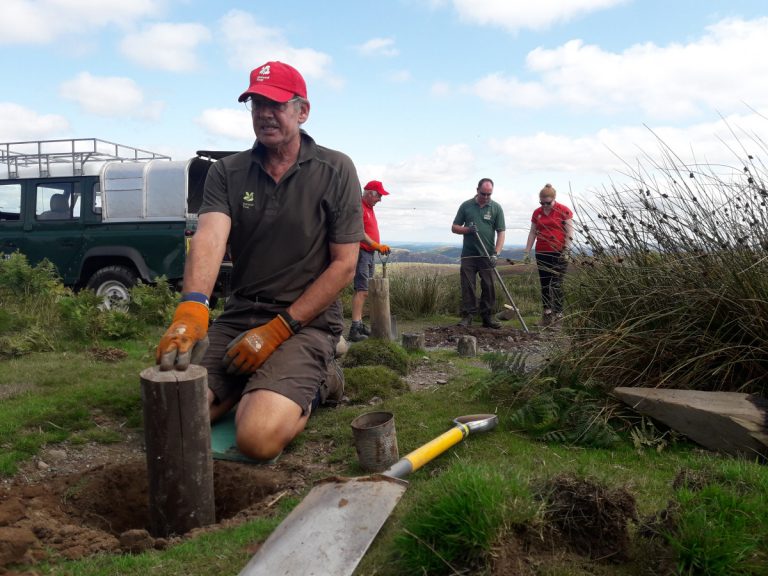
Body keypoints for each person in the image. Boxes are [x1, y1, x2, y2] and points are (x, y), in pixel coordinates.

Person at [155, 61, 364, 461]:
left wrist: (279, 330)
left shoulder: (335, 168)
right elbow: (211, 238)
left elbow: (344, 266)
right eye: (256, 104)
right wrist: (191, 309)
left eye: (277, 104)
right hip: (241, 316)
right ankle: (248, 380)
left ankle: (324, 379)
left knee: (256, 438)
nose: (265, 113)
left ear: (302, 112)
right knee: (176, 415)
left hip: (305, 322)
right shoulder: (227, 172)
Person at [451, 178, 505, 328]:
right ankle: (467, 317)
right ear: (477, 190)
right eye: (483, 193)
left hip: (487, 255)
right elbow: (454, 227)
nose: (486, 197)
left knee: (488, 286)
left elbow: (501, 232)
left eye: (489, 194)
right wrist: (467, 230)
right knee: (468, 286)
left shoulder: (496, 208)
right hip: (469, 254)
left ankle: (487, 318)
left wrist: (497, 253)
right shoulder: (466, 206)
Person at [524, 183, 574, 326]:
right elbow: (533, 232)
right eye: (542, 202)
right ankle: (546, 315)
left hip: (559, 253)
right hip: (542, 251)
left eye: (548, 202)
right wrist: (527, 251)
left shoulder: (563, 210)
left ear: (554, 199)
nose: (545, 205)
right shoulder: (537, 212)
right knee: (545, 284)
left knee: (556, 284)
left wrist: (567, 250)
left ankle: (559, 315)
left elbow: (570, 231)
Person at [348, 180, 391, 342]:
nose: (380, 199)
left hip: (369, 253)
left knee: (365, 290)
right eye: (378, 195)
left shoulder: (369, 208)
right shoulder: (359, 206)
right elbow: (359, 232)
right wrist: (375, 245)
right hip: (361, 252)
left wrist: (377, 247)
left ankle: (358, 324)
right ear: (369, 192)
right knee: (362, 289)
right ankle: (355, 328)